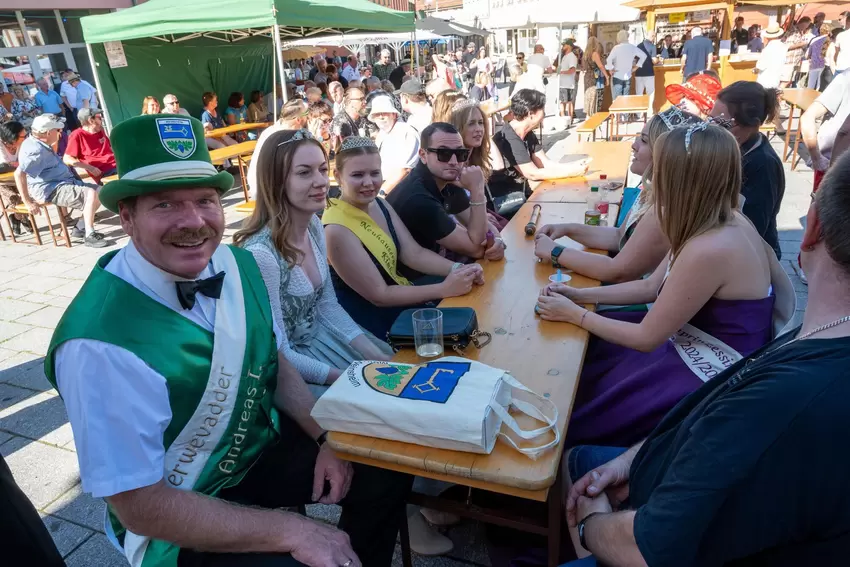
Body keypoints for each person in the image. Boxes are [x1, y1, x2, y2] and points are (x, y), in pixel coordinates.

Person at [46, 115, 412, 567]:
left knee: (385, 466)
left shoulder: (235, 264)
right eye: (165, 205)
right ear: (126, 218)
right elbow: (140, 507)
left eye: (205, 200)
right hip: (177, 506)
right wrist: (295, 531)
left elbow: (273, 358)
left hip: (253, 453)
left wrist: (324, 438)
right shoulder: (97, 343)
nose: (194, 222)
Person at [561, 153, 850, 567]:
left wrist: (590, 523)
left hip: (658, 533)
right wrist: (632, 459)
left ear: (812, 228)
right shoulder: (816, 347)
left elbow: (647, 544)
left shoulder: (786, 397)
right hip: (681, 482)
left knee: (573, 444)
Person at [536, 123, 793, 449]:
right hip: (693, 342)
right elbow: (651, 289)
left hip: (708, 370)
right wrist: (580, 296)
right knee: (588, 362)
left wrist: (576, 314)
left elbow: (646, 337)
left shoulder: (710, 246)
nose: (654, 179)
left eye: (663, 169)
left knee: (578, 413)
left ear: (679, 177)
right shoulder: (716, 219)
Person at [235, 129, 392, 392]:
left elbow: (328, 306)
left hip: (329, 340)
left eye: (322, 169)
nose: (321, 181)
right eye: (304, 172)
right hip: (296, 370)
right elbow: (279, 351)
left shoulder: (314, 227)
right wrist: (347, 377)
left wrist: (376, 355)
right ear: (275, 181)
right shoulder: (262, 255)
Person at [324, 136, 484, 339]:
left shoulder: (379, 204)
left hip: (400, 296)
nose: (368, 182)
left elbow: (413, 254)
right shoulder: (337, 229)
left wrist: (460, 270)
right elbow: (379, 295)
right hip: (371, 319)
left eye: (374, 173)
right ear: (338, 176)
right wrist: (444, 288)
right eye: (357, 175)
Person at [533, 107, 702, 285]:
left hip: (638, 303)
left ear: (666, 155)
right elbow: (618, 236)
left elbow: (617, 271)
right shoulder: (651, 191)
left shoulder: (666, 211)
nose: (633, 145)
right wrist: (567, 229)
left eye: (644, 141)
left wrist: (555, 252)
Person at [386, 122, 506, 267]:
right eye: (444, 154)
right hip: (409, 279)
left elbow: (481, 229)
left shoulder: (445, 178)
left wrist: (497, 240)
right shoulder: (418, 199)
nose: (454, 162)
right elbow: (475, 249)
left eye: (460, 154)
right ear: (423, 155)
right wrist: (477, 190)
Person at [710, 81, 785, 260]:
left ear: (753, 124)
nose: (711, 129)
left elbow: (752, 228)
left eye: (721, 123)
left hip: (752, 259)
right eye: (710, 119)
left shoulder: (763, 165)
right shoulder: (734, 148)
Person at [489, 89, 590, 217]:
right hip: (508, 202)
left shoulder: (526, 133)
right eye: (542, 109)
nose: (545, 113)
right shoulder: (508, 137)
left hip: (523, 193)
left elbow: (545, 163)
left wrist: (574, 166)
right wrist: (571, 172)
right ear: (531, 114)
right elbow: (532, 173)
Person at [15, 114, 108, 248]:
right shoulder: (35, 150)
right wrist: (28, 202)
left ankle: (80, 228)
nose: (61, 132)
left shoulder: (41, 142)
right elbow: (19, 174)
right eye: (58, 130)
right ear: (47, 132)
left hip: (62, 182)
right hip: (50, 188)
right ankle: (90, 234)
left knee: (101, 191)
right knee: (90, 193)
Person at [247, 99, 309, 200]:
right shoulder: (283, 137)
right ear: (298, 119)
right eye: (307, 113)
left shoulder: (276, 130)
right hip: (269, 192)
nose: (308, 116)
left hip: (270, 187)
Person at [801, 70, 850, 193]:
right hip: (833, 169)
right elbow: (808, 117)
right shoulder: (845, 79)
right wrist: (817, 158)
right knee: (820, 209)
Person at [369, 95, 420, 195]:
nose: (381, 116)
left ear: (394, 114)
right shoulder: (382, 133)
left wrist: (382, 193)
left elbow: (406, 169)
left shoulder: (407, 132)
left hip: (404, 190)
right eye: (377, 114)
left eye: (384, 112)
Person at [64, 108, 117, 185]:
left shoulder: (100, 131)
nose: (101, 120)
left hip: (117, 165)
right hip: (106, 173)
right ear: (91, 120)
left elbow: (111, 149)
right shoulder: (77, 135)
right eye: (99, 118)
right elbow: (67, 159)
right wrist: (90, 168)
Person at [756, 23, 788, 131]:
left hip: (766, 78)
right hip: (776, 76)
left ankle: (767, 122)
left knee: (764, 101)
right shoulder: (783, 47)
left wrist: (755, 69)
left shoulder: (767, 49)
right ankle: (776, 124)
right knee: (774, 101)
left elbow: (761, 66)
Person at [0, 121, 30, 234]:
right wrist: (19, 163)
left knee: (28, 193)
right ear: (12, 137)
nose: (25, 138)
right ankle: (21, 218)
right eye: (22, 136)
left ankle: (17, 217)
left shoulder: (22, 143)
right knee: (14, 198)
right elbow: (6, 164)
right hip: (2, 181)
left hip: (16, 176)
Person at [607, 31, 646, 101]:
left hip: (617, 75)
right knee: (625, 100)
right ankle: (625, 112)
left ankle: (618, 112)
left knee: (617, 101)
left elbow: (609, 59)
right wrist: (636, 68)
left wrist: (610, 69)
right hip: (628, 76)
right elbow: (644, 56)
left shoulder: (616, 48)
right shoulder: (632, 47)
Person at [783, 17, 814, 87]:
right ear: (803, 23)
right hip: (789, 62)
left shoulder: (800, 32)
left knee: (789, 82)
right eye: (807, 25)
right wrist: (803, 44)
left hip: (795, 62)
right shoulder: (792, 31)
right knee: (785, 82)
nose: (806, 27)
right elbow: (787, 46)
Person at [583, 37, 609, 117]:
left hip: (587, 76)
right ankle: (593, 115)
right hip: (594, 78)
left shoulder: (585, 55)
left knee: (588, 96)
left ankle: (588, 115)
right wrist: (607, 76)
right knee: (595, 96)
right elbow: (601, 66)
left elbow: (583, 67)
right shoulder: (594, 54)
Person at [635, 32, 657, 115]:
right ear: (652, 37)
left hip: (639, 73)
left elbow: (636, 59)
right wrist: (657, 60)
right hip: (649, 73)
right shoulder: (652, 46)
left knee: (639, 93)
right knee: (650, 93)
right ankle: (649, 112)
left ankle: (638, 113)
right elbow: (654, 60)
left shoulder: (639, 46)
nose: (653, 37)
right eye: (653, 36)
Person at [806, 24, 833, 90]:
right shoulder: (831, 40)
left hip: (814, 64)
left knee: (810, 85)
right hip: (825, 65)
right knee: (820, 86)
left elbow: (807, 54)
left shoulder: (814, 40)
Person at [558, 41, 579, 125]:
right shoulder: (564, 56)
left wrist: (562, 72)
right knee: (562, 101)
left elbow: (573, 69)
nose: (563, 46)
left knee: (569, 102)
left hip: (568, 84)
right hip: (562, 83)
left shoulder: (572, 57)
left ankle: (570, 119)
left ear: (569, 46)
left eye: (564, 45)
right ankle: (563, 119)